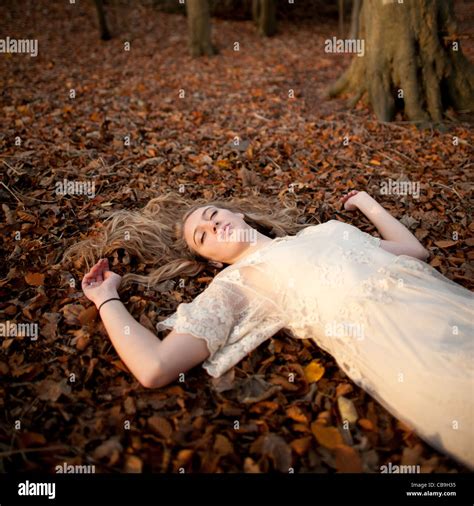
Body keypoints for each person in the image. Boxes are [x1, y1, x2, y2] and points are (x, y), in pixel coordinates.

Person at [64, 190, 474, 469]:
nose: (213, 227)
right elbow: (155, 366)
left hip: (445, 303)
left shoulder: (326, 230)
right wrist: (106, 299)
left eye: (212, 216)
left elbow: (414, 252)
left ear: (236, 212)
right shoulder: (240, 284)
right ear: (211, 260)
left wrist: (367, 203)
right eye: (202, 238)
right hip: (404, 346)